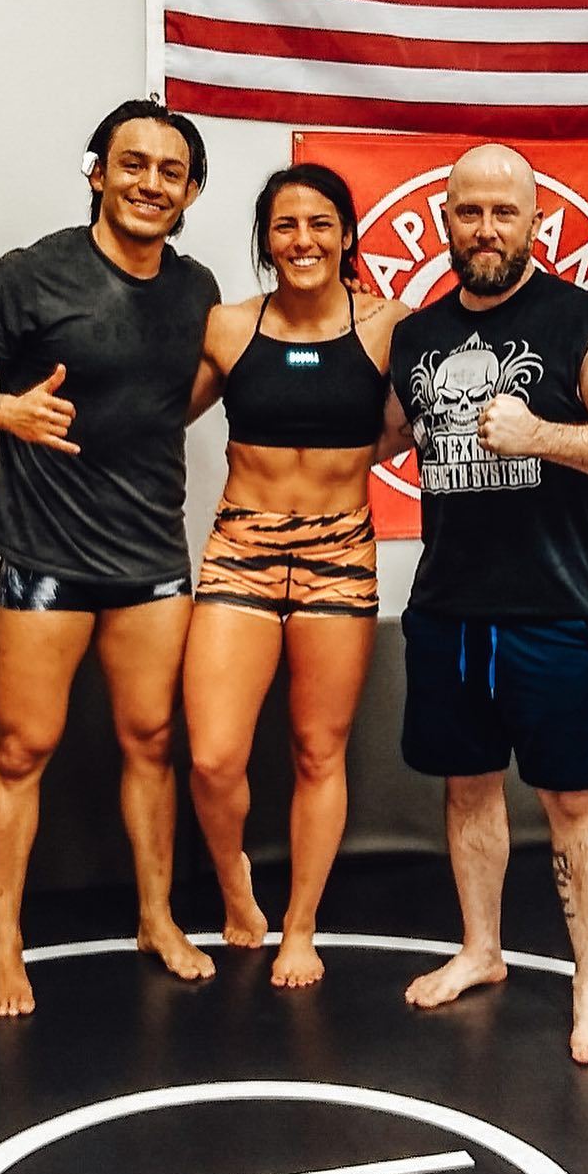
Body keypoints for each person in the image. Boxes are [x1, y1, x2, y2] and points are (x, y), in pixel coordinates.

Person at [0, 99, 220, 1016]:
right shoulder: (31, 273)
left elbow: (182, 393)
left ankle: (157, 919)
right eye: (132, 164)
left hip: (150, 555)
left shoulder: (198, 289)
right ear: (97, 172)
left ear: (190, 193)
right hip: (45, 551)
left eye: (170, 172)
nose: (150, 183)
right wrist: (0, 409)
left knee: (152, 740)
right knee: (23, 748)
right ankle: (5, 943)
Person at [381, 142, 588, 1065]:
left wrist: (539, 432)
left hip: (553, 606)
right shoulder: (419, 335)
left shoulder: (587, 321)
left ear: (536, 220)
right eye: (469, 211)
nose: (486, 228)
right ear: (444, 219)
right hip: (448, 606)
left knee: (572, 798)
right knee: (467, 785)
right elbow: (374, 435)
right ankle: (482, 948)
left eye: (504, 211)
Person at [184, 164, 408, 988]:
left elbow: (410, 425)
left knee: (318, 750)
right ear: (266, 238)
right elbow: (155, 412)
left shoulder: (389, 326)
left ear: (346, 234)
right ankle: (235, 881)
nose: (303, 239)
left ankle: (301, 924)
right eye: (285, 225)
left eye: (320, 223)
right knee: (214, 757)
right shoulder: (228, 326)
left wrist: (344, 462)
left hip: (339, 553)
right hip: (242, 545)